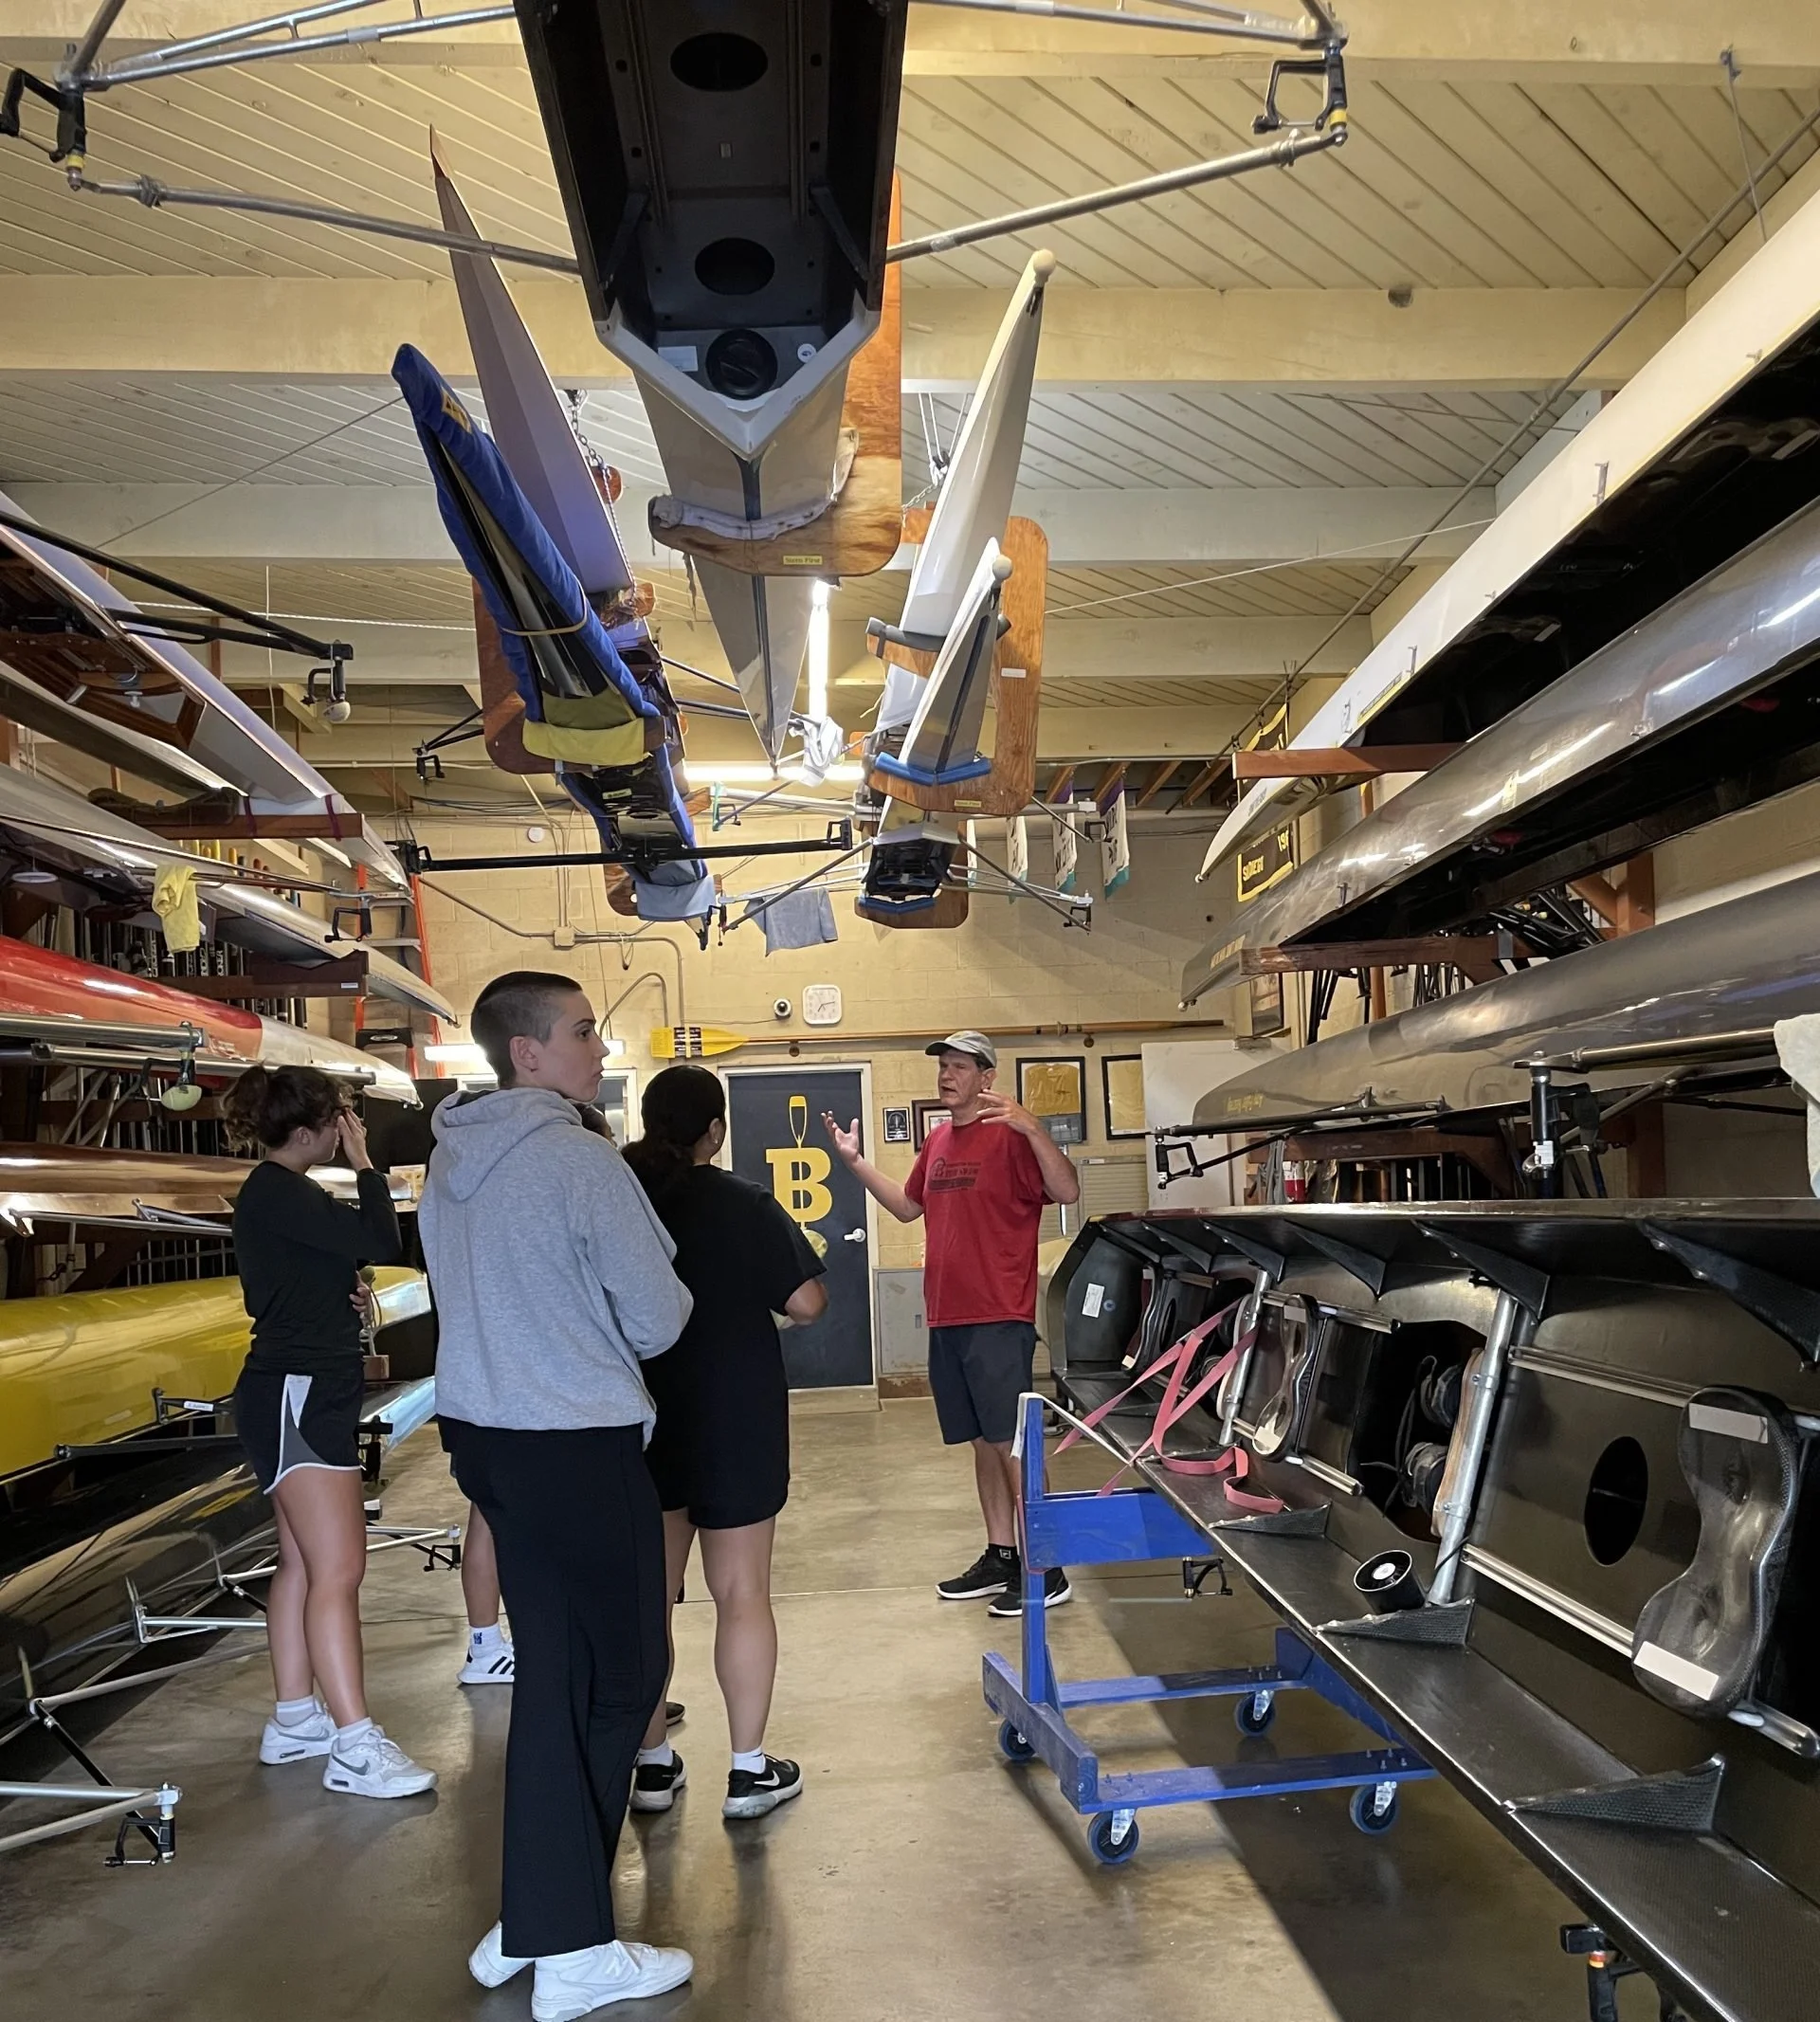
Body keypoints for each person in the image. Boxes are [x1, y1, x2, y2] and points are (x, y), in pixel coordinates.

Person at [421, 971, 695, 2014]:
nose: (599, 1049)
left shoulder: (452, 1158)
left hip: (487, 1439)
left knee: (554, 1677)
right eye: (583, 1032)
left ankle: (537, 1918)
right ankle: (573, 1943)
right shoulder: (581, 1161)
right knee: (624, 1680)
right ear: (528, 1052)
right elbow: (659, 1317)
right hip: (575, 1440)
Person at [620, 1066, 827, 1822]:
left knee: (651, 1599)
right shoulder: (743, 1202)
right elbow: (807, 1302)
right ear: (716, 1130)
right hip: (734, 1416)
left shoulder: (621, 1196)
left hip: (642, 1416)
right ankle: (746, 1772)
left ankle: (650, 1765)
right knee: (740, 1592)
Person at [226, 1065, 436, 1799]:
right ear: (315, 1128)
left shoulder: (281, 1196)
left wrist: (340, 1291)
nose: (350, 1130)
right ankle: (353, 1741)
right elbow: (380, 1233)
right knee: (340, 1569)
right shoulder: (280, 1190)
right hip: (299, 1393)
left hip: (300, 1388)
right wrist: (366, 1163)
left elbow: (321, 1266)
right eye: (343, 1119)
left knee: (304, 1564)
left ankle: (295, 1717)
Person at [825, 1030, 1081, 1614]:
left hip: (998, 1315)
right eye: (943, 1066)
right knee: (981, 1442)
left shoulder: (1012, 1138)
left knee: (1011, 1443)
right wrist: (855, 1162)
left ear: (987, 1078)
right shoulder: (938, 1140)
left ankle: (1046, 1566)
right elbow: (908, 1207)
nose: (946, 1075)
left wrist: (1033, 1127)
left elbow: (1066, 1188)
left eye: (959, 1066)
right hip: (948, 1316)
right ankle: (1001, 1555)